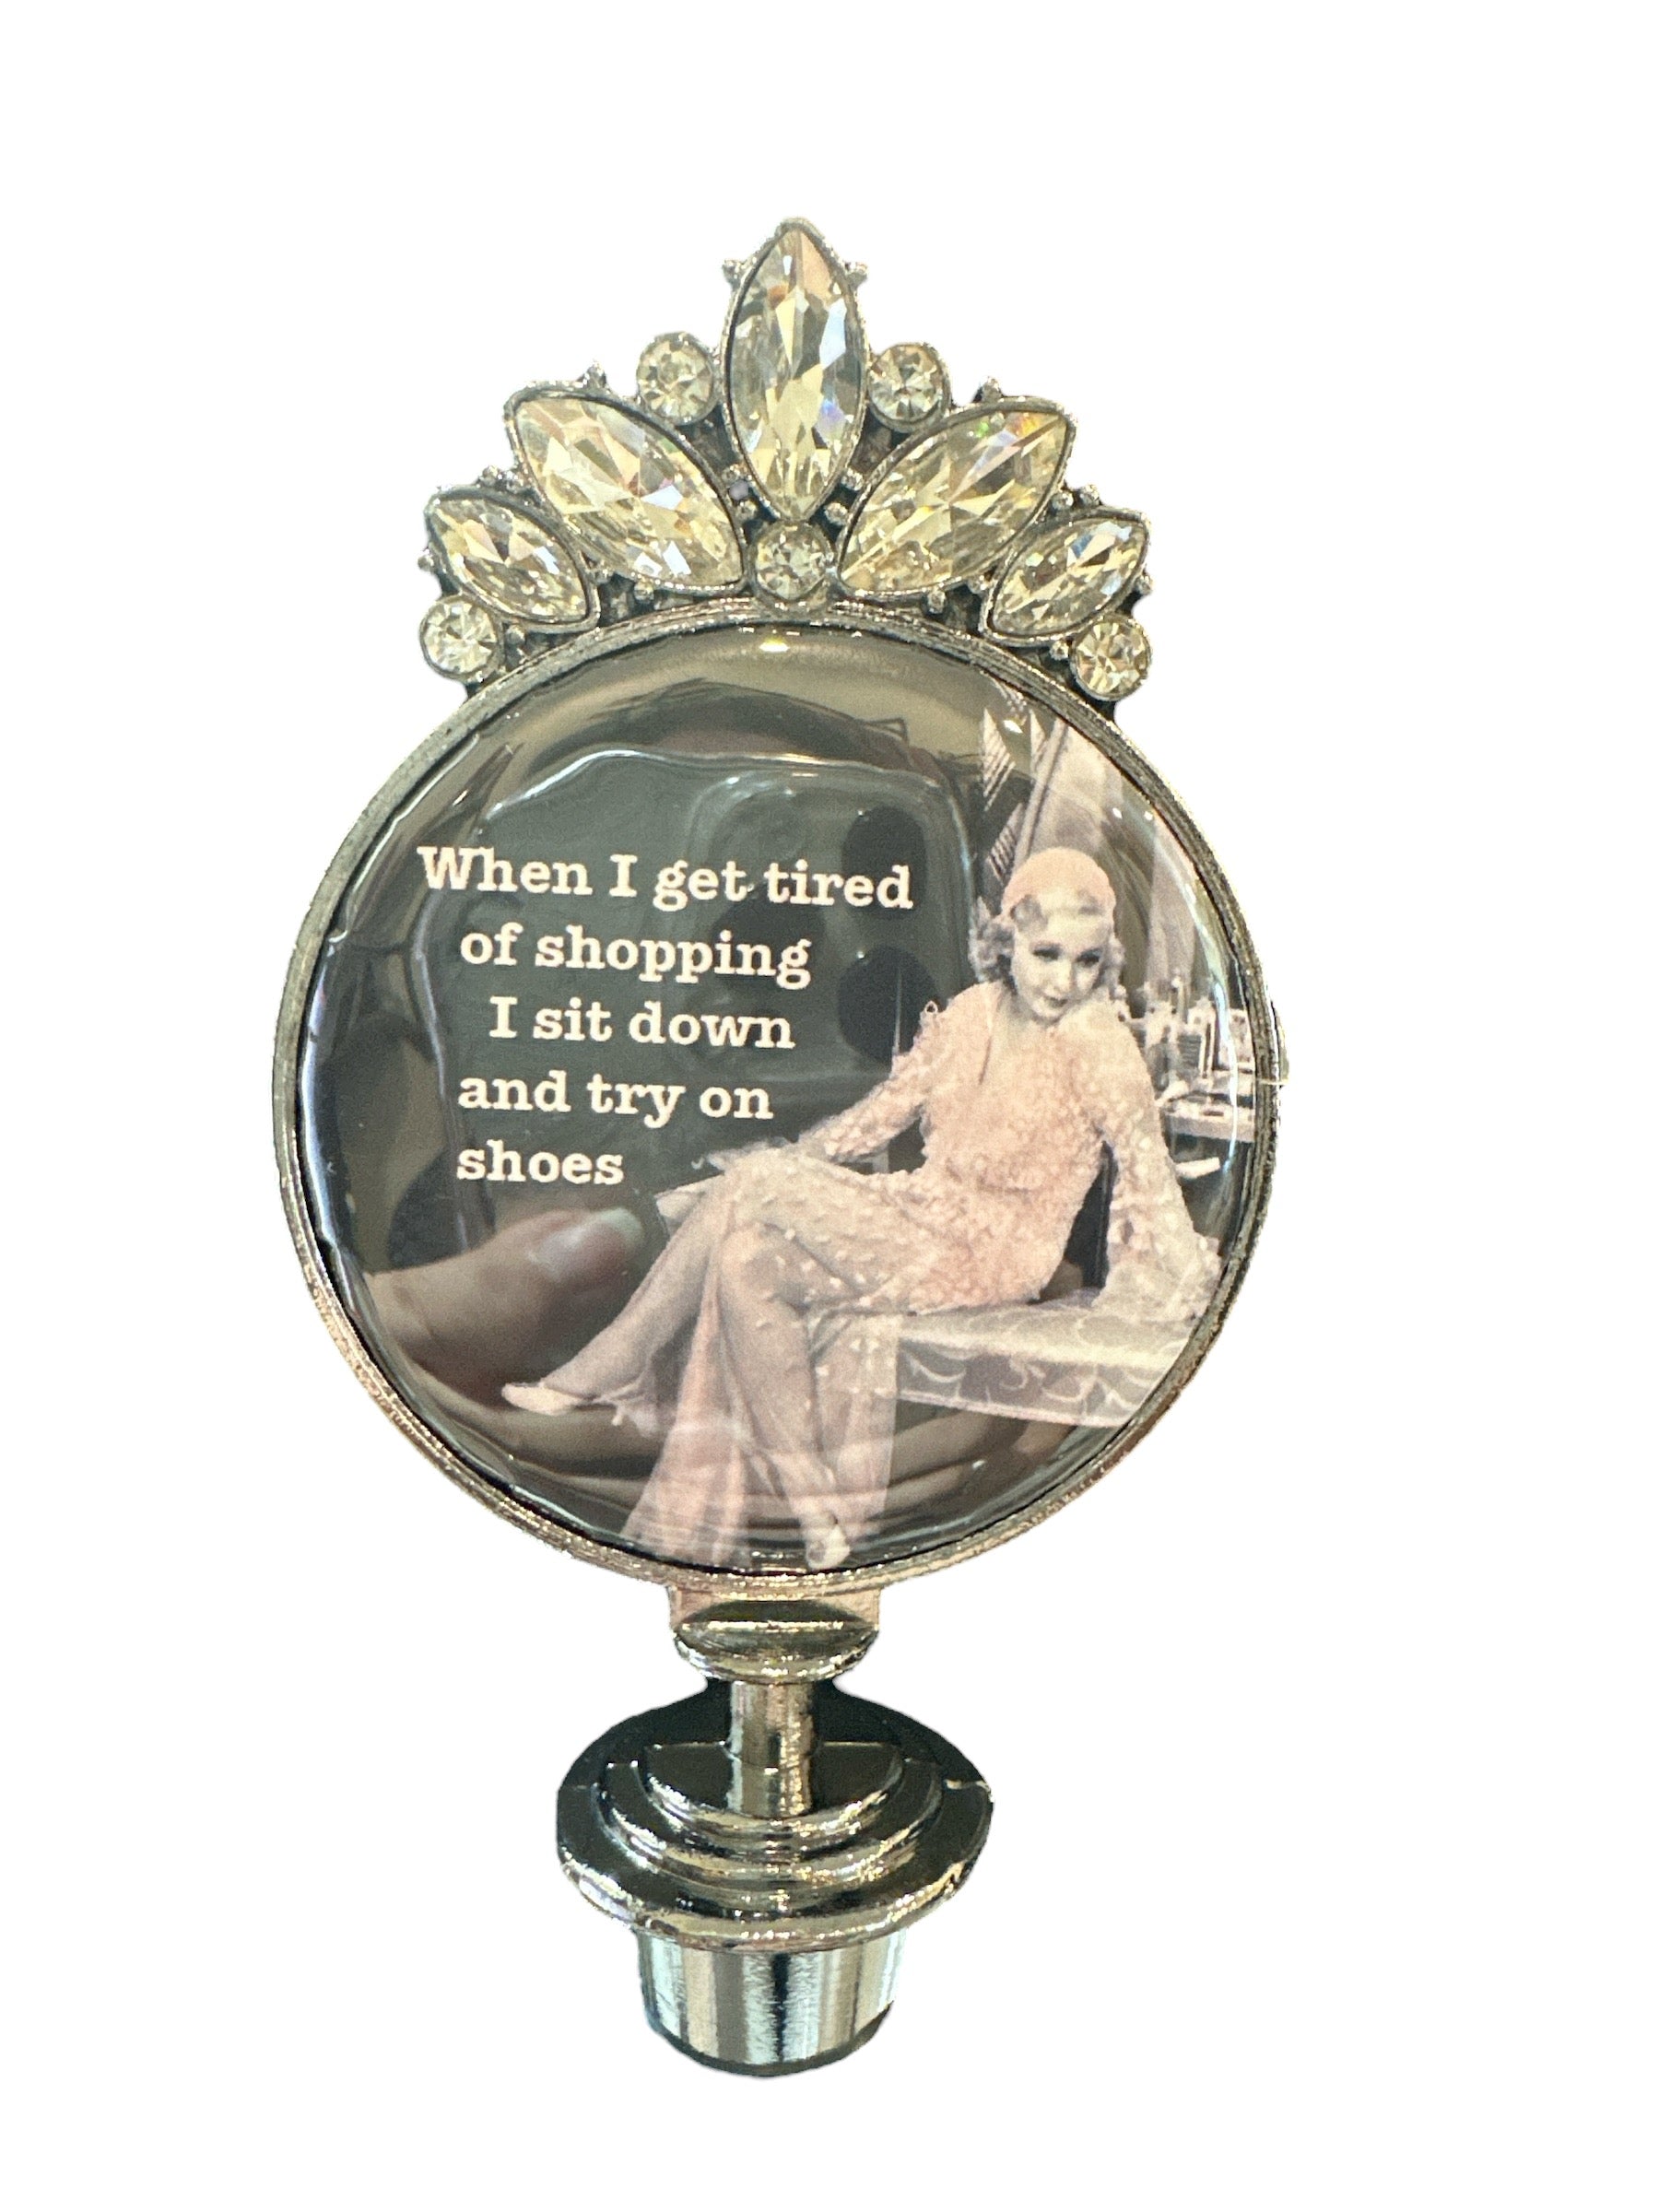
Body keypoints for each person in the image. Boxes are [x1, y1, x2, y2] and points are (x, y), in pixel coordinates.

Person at [504, 846, 1219, 1571]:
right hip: (925, 1208)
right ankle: (817, 1510)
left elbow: (1147, 1168)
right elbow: (883, 1114)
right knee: (748, 1259)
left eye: (1088, 961)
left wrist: (1175, 1275)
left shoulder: (1097, 1042)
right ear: (1008, 942)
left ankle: (607, 1367)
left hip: (999, 1248)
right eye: (1047, 955)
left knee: (753, 1184)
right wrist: (798, 1165)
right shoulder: (971, 1013)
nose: (1066, 982)